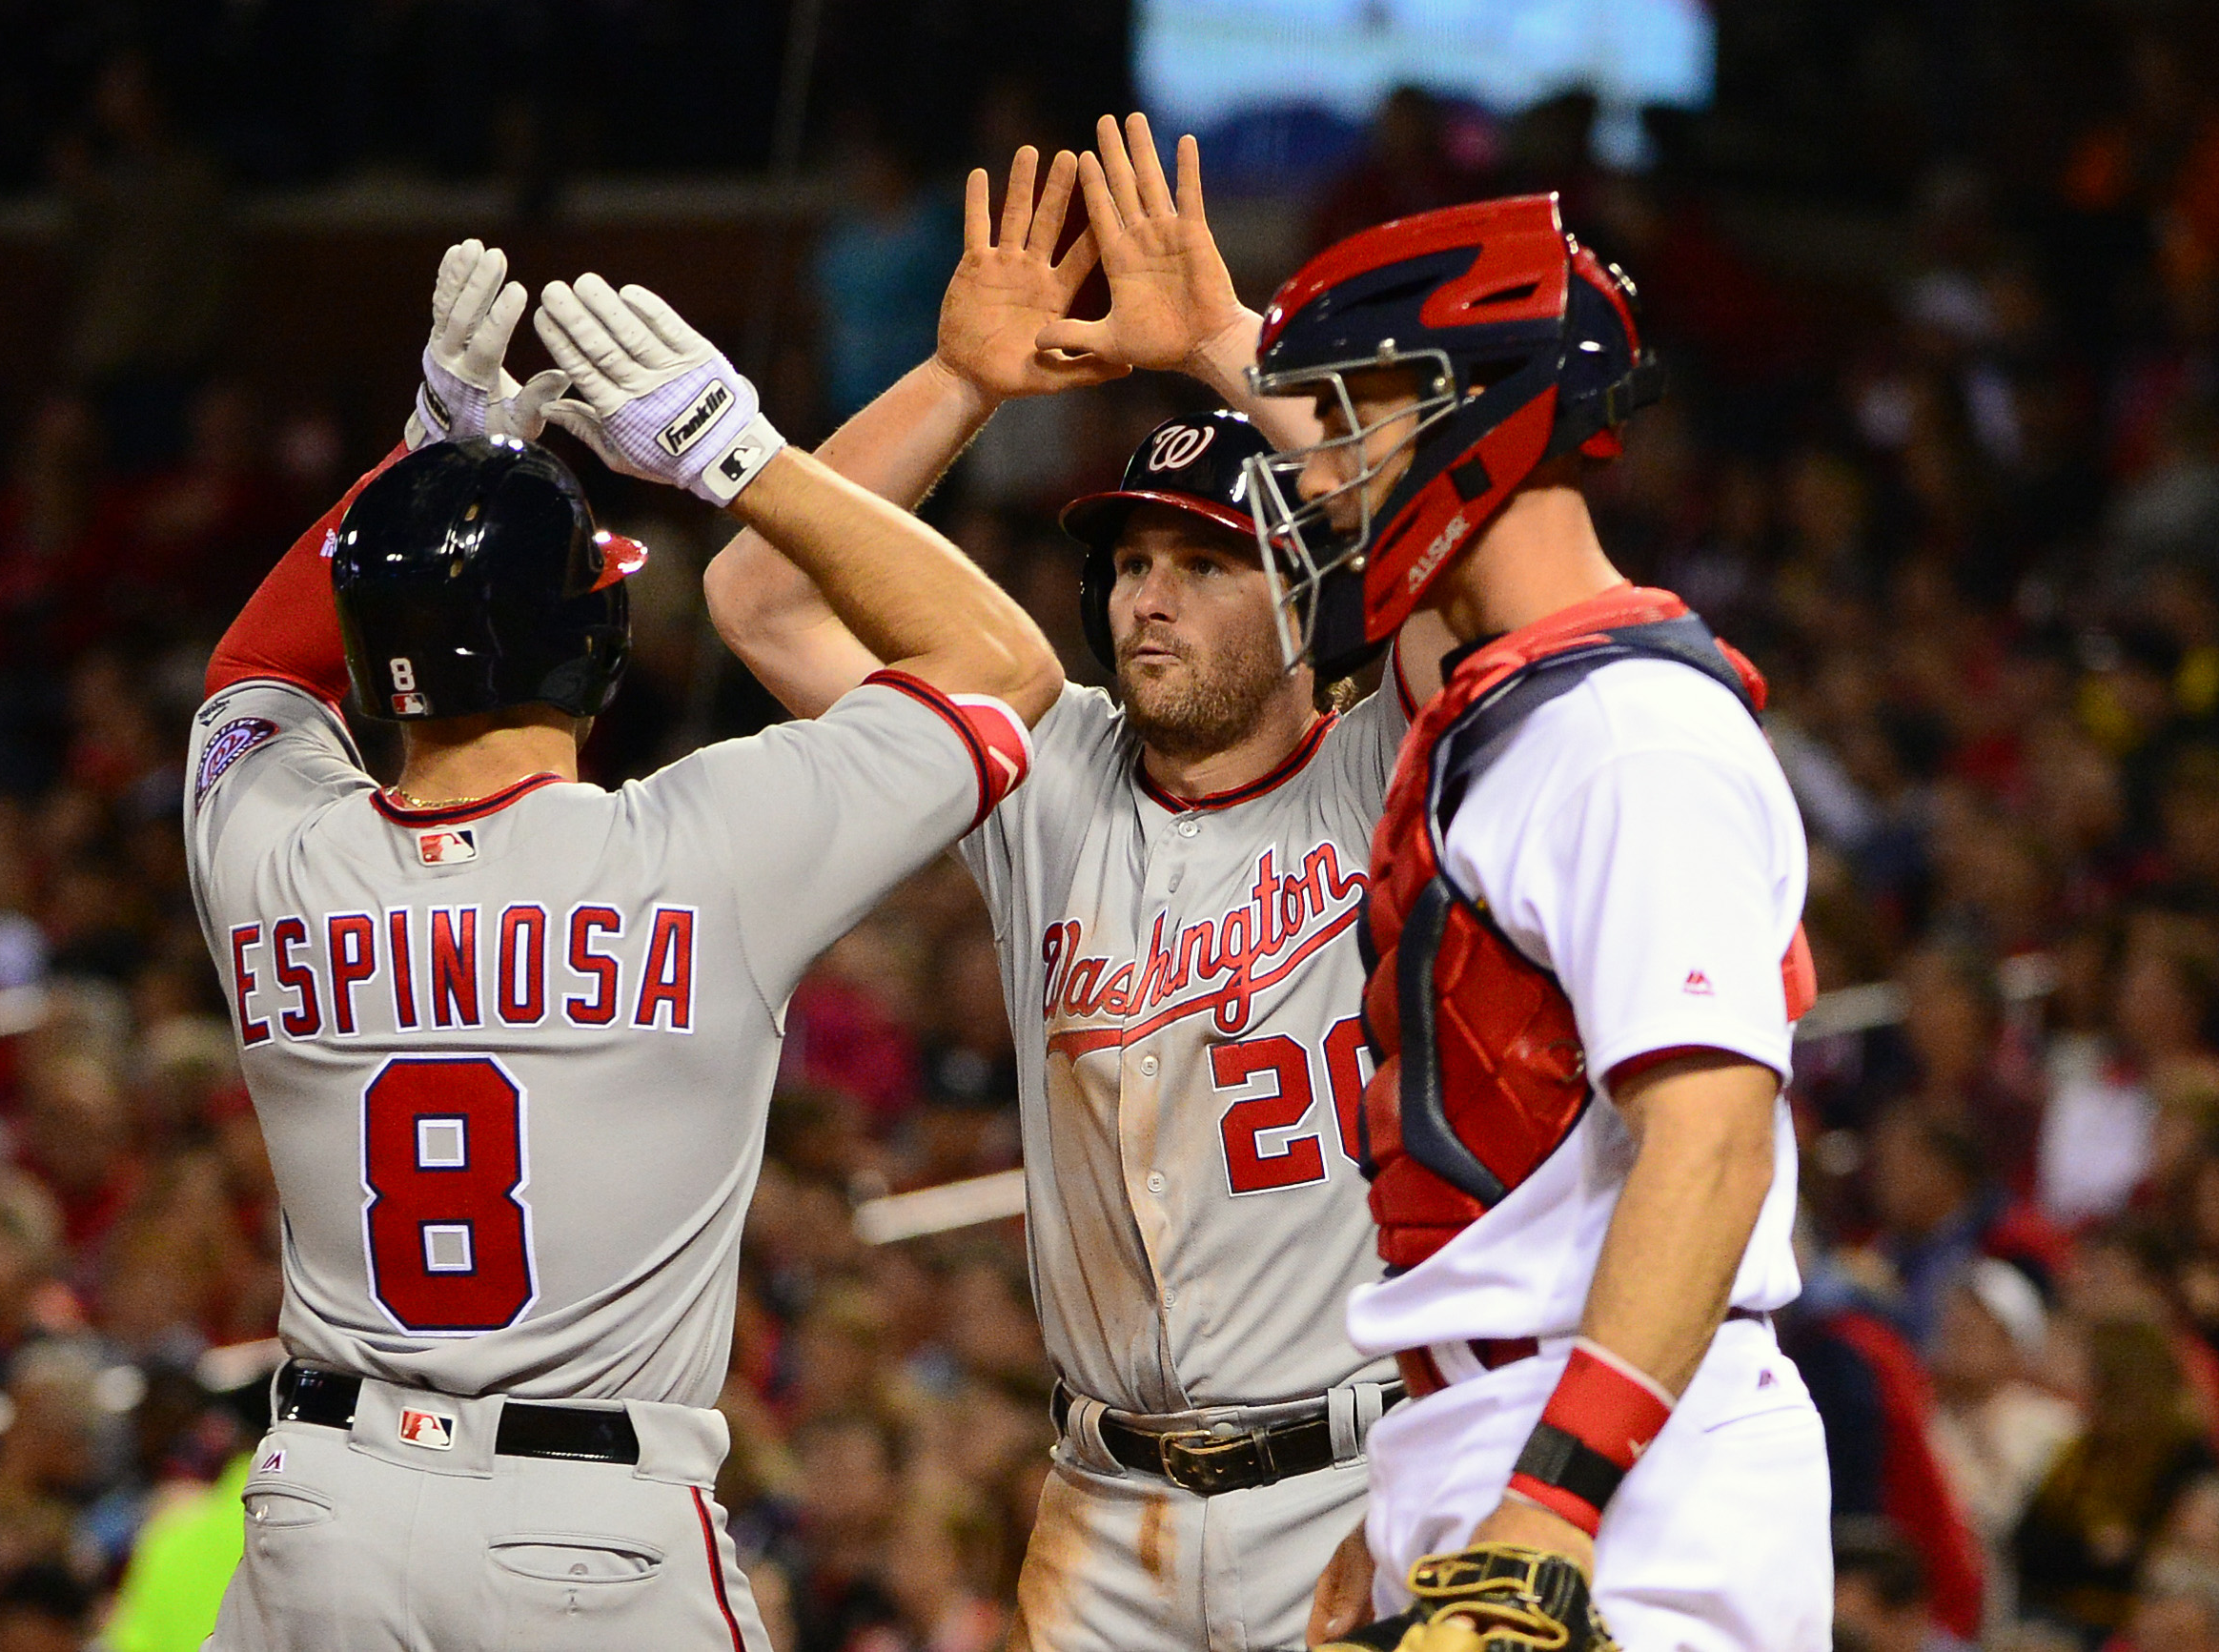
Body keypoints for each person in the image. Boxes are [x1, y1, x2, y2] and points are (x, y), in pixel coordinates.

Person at [187, 241, 1058, 1650]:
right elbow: (1004, 665)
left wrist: (416, 458)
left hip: (320, 1509)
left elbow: (253, 669)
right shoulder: (703, 849)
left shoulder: (270, 853)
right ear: (595, 636)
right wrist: (738, 451)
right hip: (581, 1530)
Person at [706, 117, 1417, 1652]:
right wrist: (961, 381)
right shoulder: (1050, 771)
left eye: (1204, 562)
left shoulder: (1395, 766)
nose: (1146, 595)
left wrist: (1229, 346)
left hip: (1358, 1484)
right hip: (1104, 1507)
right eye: (1130, 562)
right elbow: (755, 596)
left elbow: (1461, 527)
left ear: (1306, 596)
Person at [1269, 196, 1832, 1652]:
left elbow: (1710, 1136)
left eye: (1354, 415)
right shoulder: (1522, 716)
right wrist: (1416, 1501)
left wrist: (1554, 1505)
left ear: (1479, 410)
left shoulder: (1633, 734)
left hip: (1632, 1473)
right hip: (1506, 1437)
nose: (1322, 472)